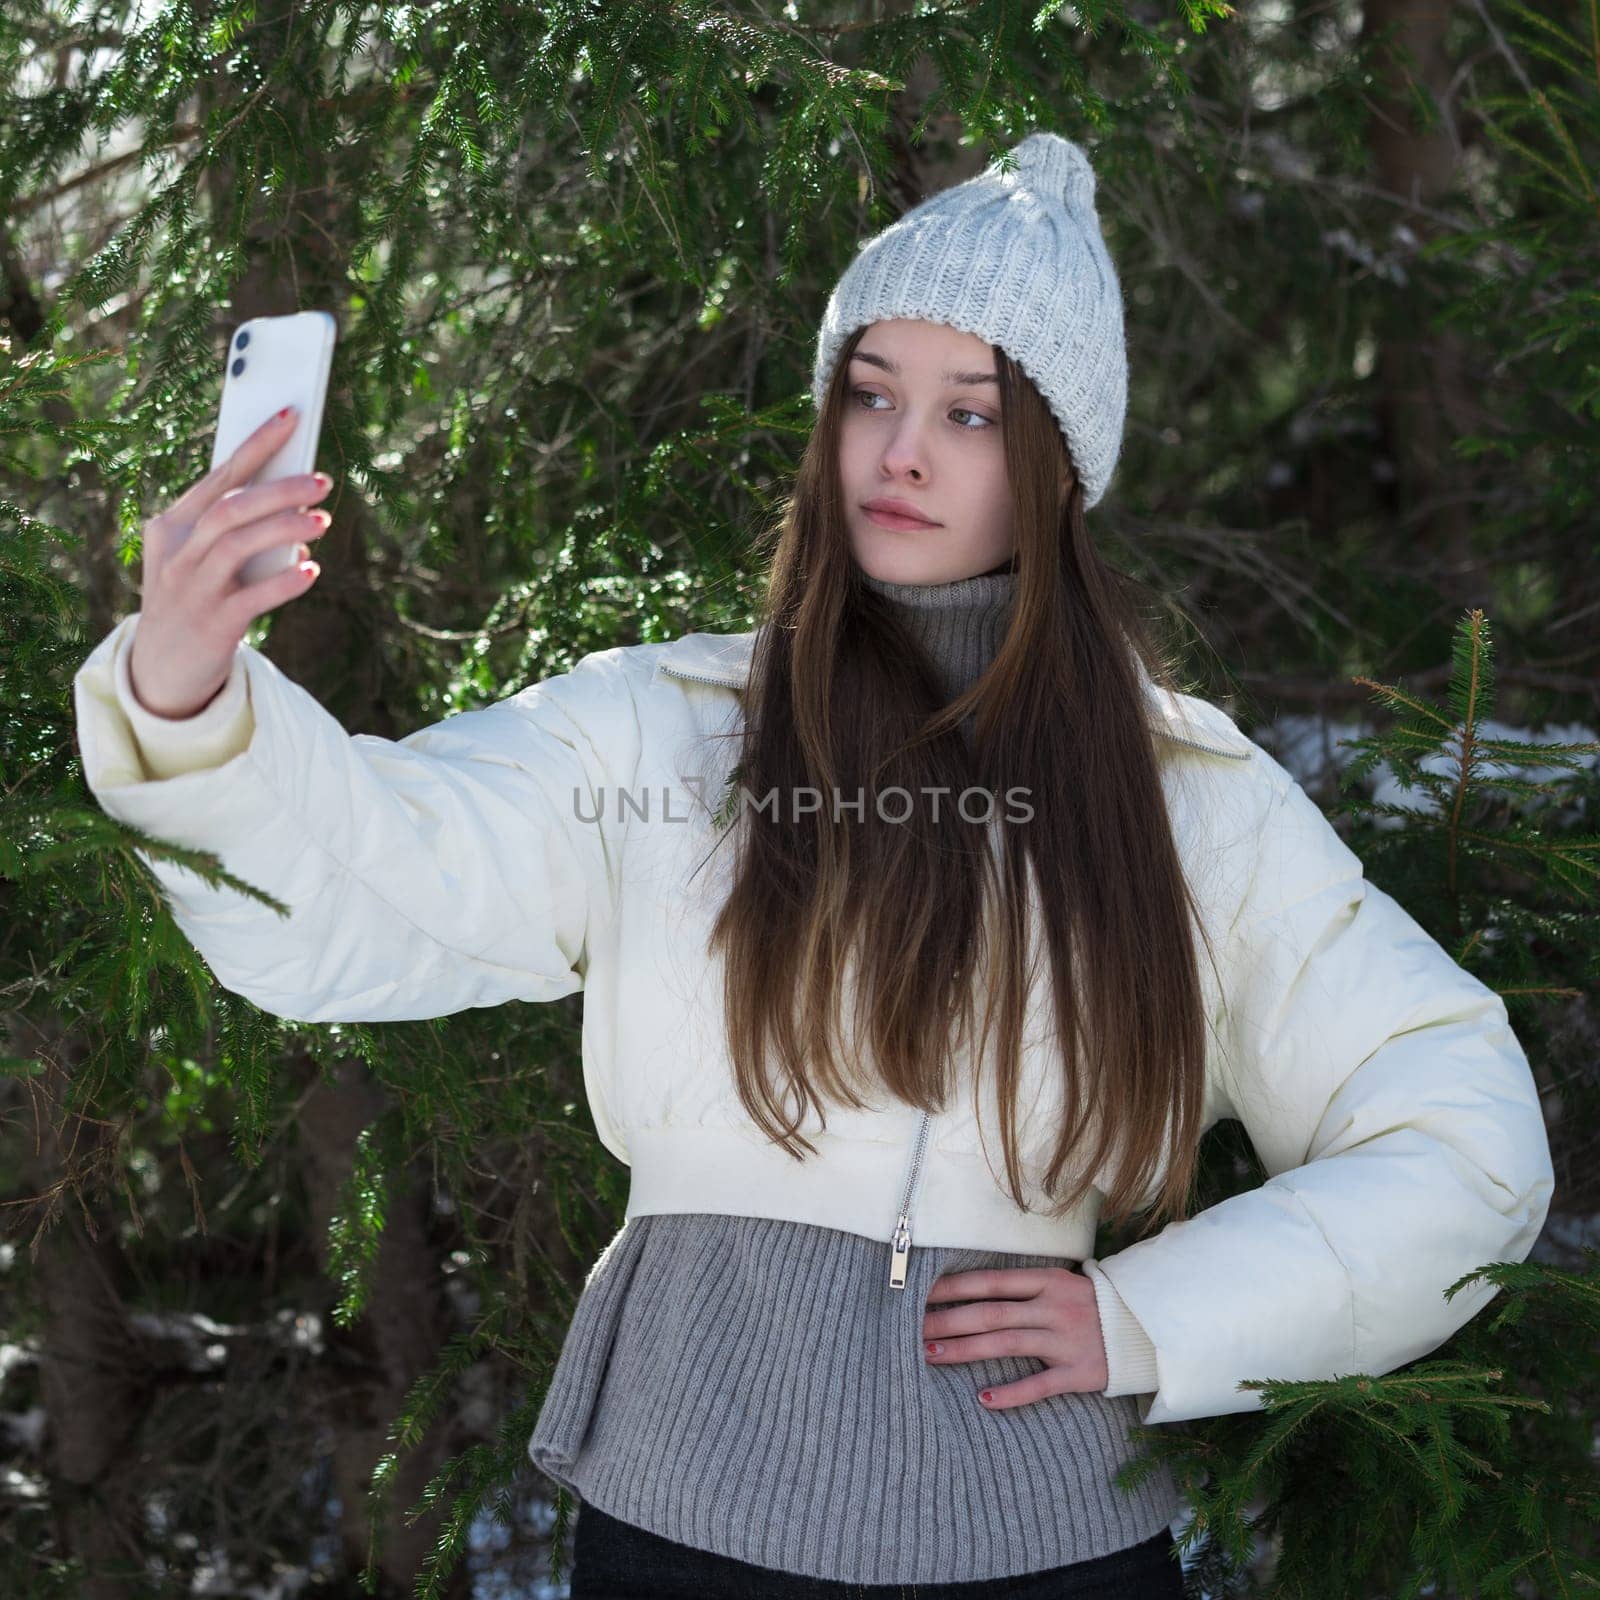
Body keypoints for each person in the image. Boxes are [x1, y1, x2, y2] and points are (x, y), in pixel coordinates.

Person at [71, 133, 1554, 1598]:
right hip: (683, 1508)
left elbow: (1462, 1133)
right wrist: (192, 694)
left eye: (971, 414)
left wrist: (1155, 1316)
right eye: (870, 393)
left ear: (1055, 467)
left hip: (1049, 1535)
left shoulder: (1185, 801)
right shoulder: (667, 729)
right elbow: (374, 881)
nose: (901, 451)